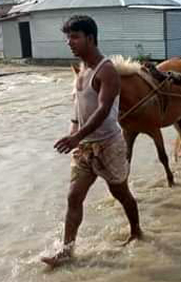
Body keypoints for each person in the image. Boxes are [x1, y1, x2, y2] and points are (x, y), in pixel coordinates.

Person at [41, 15, 141, 268]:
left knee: (120, 193)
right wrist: (73, 136)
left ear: (90, 38)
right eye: (68, 37)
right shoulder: (82, 70)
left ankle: (136, 231)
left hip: (109, 144)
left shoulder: (106, 70)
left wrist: (77, 136)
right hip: (85, 147)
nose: (69, 43)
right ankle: (66, 250)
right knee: (74, 197)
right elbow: (78, 110)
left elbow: (103, 110)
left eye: (74, 37)